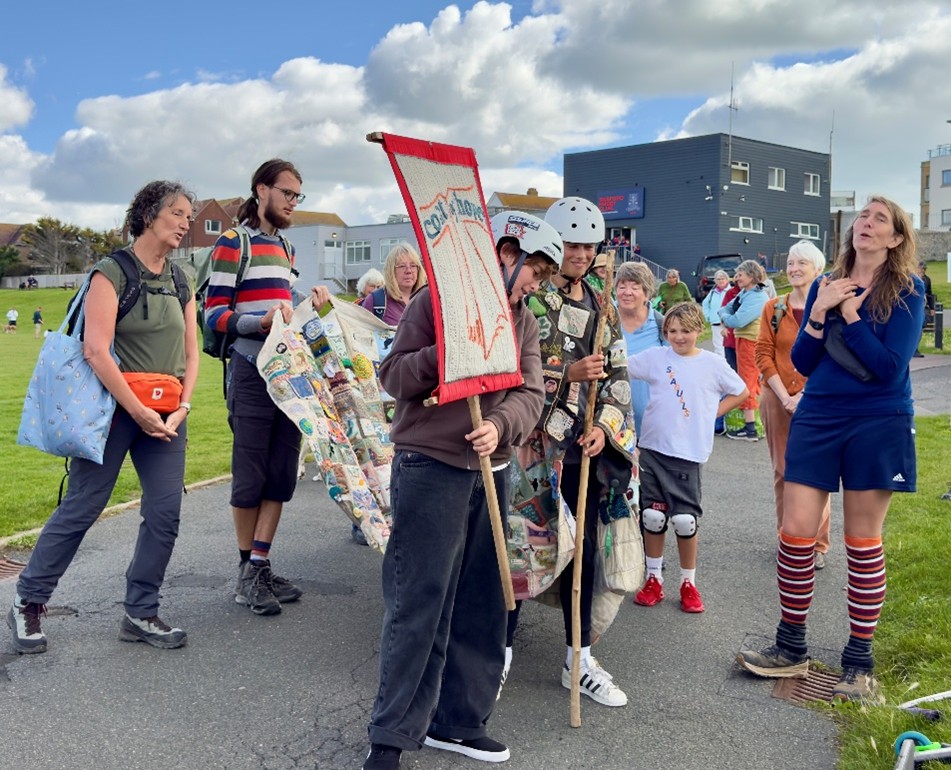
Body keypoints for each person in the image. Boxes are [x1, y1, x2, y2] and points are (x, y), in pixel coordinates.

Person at [363, 211, 560, 770]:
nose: (535, 284)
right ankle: (390, 737)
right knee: (420, 600)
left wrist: (501, 426)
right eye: (533, 270)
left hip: (492, 471)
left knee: (482, 602)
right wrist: (449, 354)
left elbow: (530, 391)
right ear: (504, 253)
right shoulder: (435, 303)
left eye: (543, 276)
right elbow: (394, 376)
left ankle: (458, 722)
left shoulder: (521, 321)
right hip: (431, 467)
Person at [737, 196, 925, 703]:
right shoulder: (824, 282)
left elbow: (888, 365)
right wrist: (819, 311)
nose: (866, 223)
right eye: (862, 215)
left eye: (879, 219)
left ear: (896, 238)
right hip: (819, 413)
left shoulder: (908, 289)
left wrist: (849, 312)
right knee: (796, 534)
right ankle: (790, 645)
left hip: (877, 419)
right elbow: (802, 357)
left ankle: (859, 663)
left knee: (862, 542)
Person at [8, 180, 199, 653]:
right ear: (150, 214)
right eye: (177, 213)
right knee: (83, 506)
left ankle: (141, 611)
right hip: (113, 412)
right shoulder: (110, 272)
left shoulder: (181, 280)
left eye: (189, 217)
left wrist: (182, 408)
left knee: (164, 512)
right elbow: (95, 350)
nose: (185, 223)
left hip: (168, 415)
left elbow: (192, 353)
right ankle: (28, 601)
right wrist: (137, 411)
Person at [504, 196, 635, 709]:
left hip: (584, 451)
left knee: (582, 556)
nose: (580, 254)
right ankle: (500, 652)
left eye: (587, 245)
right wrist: (566, 379)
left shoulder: (602, 301)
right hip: (533, 449)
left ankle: (577, 658)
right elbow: (515, 373)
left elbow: (617, 372)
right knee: (522, 549)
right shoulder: (531, 299)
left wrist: (604, 425)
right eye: (571, 244)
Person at [206, 158, 323, 616]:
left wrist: (309, 303)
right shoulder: (234, 242)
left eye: (298, 196)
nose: (294, 202)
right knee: (250, 475)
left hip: (288, 375)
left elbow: (284, 305)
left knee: (281, 473)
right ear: (262, 191)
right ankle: (246, 573)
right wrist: (259, 321)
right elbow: (212, 314)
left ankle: (260, 562)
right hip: (251, 371)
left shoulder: (288, 251)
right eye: (288, 193)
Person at [630, 303, 748, 613]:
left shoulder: (712, 363)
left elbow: (741, 391)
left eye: (685, 330)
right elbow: (620, 366)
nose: (678, 337)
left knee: (684, 521)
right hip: (653, 448)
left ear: (699, 330)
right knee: (652, 517)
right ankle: (653, 577)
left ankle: (688, 583)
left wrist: (712, 416)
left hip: (688, 453)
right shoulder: (656, 358)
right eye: (671, 331)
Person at [755, 241, 831, 570]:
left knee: (816, 473)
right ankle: (788, 539)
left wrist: (804, 394)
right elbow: (762, 354)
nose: (794, 268)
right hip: (776, 398)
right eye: (790, 262)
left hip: (818, 400)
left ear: (817, 269)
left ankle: (817, 544)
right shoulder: (773, 308)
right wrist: (784, 395)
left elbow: (832, 357)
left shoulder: (830, 308)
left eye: (802, 262)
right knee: (783, 472)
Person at [718, 260, 769, 441]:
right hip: (743, 340)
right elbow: (725, 309)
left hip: (750, 341)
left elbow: (737, 321)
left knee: (747, 381)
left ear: (751, 276)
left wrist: (725, 318)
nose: (736, 278)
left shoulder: (757, 297)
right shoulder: (745, 294)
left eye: (740, 274)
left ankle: (750, 430)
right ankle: (753, 425)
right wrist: (726, 316)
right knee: (748, 380)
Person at [616, 260, 667, 436]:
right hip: (610, 424)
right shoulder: (603, 320)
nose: (627, 292)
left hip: (652, 425)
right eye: (622, 286)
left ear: (647, 294)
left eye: (635, 287)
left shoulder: (663, 326)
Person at [360, 244, 427, 325]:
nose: (408, 271)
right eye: (402, 266)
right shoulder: (375, 301)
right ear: (391, 270)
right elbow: (361, 334)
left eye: (413, 266)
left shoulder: (428, 301)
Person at [702, 271, 731, 358]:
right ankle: (720, 366)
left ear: (727, 280)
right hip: (715, 321)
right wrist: (708, 316)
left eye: (722, 279)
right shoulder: (712, 292)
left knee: (729, 346)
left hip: (728, 322)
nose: (720, 281)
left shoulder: (731, 291)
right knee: (718, 347)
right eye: (718, 279)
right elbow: (705, 304)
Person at [914, 261, 934, 357]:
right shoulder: (912, 279)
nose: (922, 271)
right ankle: (911, 349)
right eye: (921, 269)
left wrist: (932, 307)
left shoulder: (927, 280)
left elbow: (929, 294)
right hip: (914, 306)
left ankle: (915, 349)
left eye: (924, 269)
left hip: (923, 306)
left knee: (921, 326)